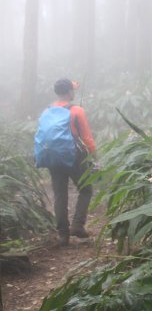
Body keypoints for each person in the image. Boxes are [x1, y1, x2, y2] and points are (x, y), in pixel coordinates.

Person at [46, 78, 97, 246]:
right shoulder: (77, 111)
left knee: (60, 194)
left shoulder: (48, 110)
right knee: (86, 190)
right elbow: (87, 137)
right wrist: (94, 156)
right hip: (74, 157)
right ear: (68, 92)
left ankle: (63, 235)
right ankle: (77, 225)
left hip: (53, 157)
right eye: (72, 90)